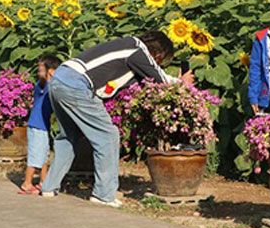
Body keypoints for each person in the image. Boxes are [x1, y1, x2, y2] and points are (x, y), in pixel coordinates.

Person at [40, 32, 193, 207]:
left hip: (59, 79)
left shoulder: (126, 47)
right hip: (76, 84)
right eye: (161, 60)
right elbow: (160, 78)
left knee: (68, 136)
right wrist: (181, 82)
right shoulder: (137, 49)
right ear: (158, 54)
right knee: (108, 135)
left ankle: (49, 187)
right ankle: (104, 194)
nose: (158, 63)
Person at [19, 54, 59, 195]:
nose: (38, 72)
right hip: (37, 126)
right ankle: (27, 183)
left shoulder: (47, 85)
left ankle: (44, 182)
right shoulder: (45, 85)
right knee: (36, 156)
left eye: (41, 69)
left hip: (41, 126)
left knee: (43, 156)